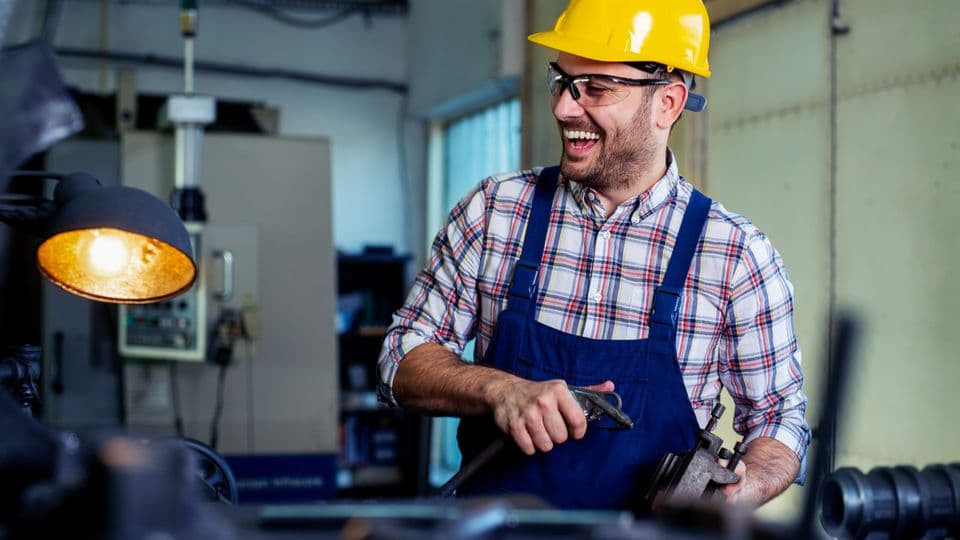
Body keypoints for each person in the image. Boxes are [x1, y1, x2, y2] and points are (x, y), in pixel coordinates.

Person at [378, 0, 809, 510]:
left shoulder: (735, 256)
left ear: (668, 103)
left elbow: (781, 419)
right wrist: (498, 389)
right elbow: (400, 357)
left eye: (596, 88)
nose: (564, 108)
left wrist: (742, 488)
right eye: (562, 82)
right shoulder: (496, 211)